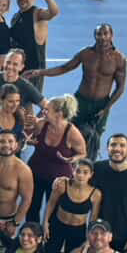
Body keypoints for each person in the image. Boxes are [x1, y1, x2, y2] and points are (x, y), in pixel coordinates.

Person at [29, 23, 125, 160]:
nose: (102, 37)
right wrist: (40, 72)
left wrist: (106, 108)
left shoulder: (119, 59)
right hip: (80, 101)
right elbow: (64, 68)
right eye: (99, 34)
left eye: (105, 34)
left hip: (102, 104)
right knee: (67, 130)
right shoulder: (86, 54)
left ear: (111, 35)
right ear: (95, 36)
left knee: (94, 138)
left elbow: (120, 87)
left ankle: (88, 166)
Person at [38, 158, 100, 253]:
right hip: (57, 226)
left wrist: (89, 240)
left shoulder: (95, 194)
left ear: (91, 174)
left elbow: (93, 219)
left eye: (85, 172)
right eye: (78, 171)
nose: (81, 175)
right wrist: (45, 223)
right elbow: (51, 203)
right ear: (72, 171)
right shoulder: (62, 185)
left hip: (77, 231)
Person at [25, 95, 86, 223]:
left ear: (59, 114)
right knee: (31, 208)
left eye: (47, 110)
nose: (43, 111)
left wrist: (72, 159)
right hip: (35, 172)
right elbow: (30, 137)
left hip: (58, 180)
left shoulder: (73, 133)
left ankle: (48, 234)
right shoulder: (41, 124)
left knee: (53, 213)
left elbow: (82, 153)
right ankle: (32, 232)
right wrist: (29, 141)